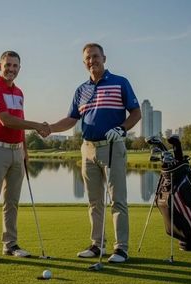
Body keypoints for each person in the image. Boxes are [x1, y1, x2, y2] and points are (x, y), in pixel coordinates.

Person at [47, 43, 141, 263]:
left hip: (112, 147)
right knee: (94, 201)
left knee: (117, 199)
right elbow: (71, 119)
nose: (92, 61)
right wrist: (49, 128)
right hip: (87, 148)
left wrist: (122, 128)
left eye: (96, 56)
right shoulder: (81, 90)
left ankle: (121, 249)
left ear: (104, 58)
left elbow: (136, 112)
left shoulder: (120, 82)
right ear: (84, 62)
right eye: (88, 58)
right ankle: (97, 245)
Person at [0, 50, 50, 262]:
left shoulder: (18, 92)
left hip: (17, 150)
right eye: (7, 65)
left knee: (12, 201)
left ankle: (10, 244)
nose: (11, 69)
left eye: (15, 66)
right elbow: (6, 120)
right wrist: (38, 126)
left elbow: (19, 124)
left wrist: (25, 151)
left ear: (19, 68)